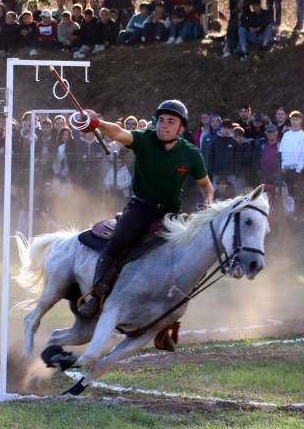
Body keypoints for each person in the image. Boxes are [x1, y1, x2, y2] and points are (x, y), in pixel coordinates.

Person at [74, 100, 213, 321]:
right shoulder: (144, 139)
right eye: (161, 120)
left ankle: (170, 315)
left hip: (171, 215)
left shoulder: (191, 154)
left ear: (181, 129)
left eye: (171, 121)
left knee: (186, 257)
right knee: (117, 243)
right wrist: (97, 123)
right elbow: (119, 132)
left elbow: (206, 185)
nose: (163, 125)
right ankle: (96, 295)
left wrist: (208, 200)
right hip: (140, 208)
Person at [279, 111, 304, 193]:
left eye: (296, 119)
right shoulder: (286, 135)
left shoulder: (303, 136)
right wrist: (282, 166)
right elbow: (280, 151)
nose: (294, 121)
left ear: (301, 121)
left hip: (296, 170)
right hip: (285, 170)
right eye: (292, 119)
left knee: (295, 194)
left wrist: (298, 170)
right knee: (284, 193)